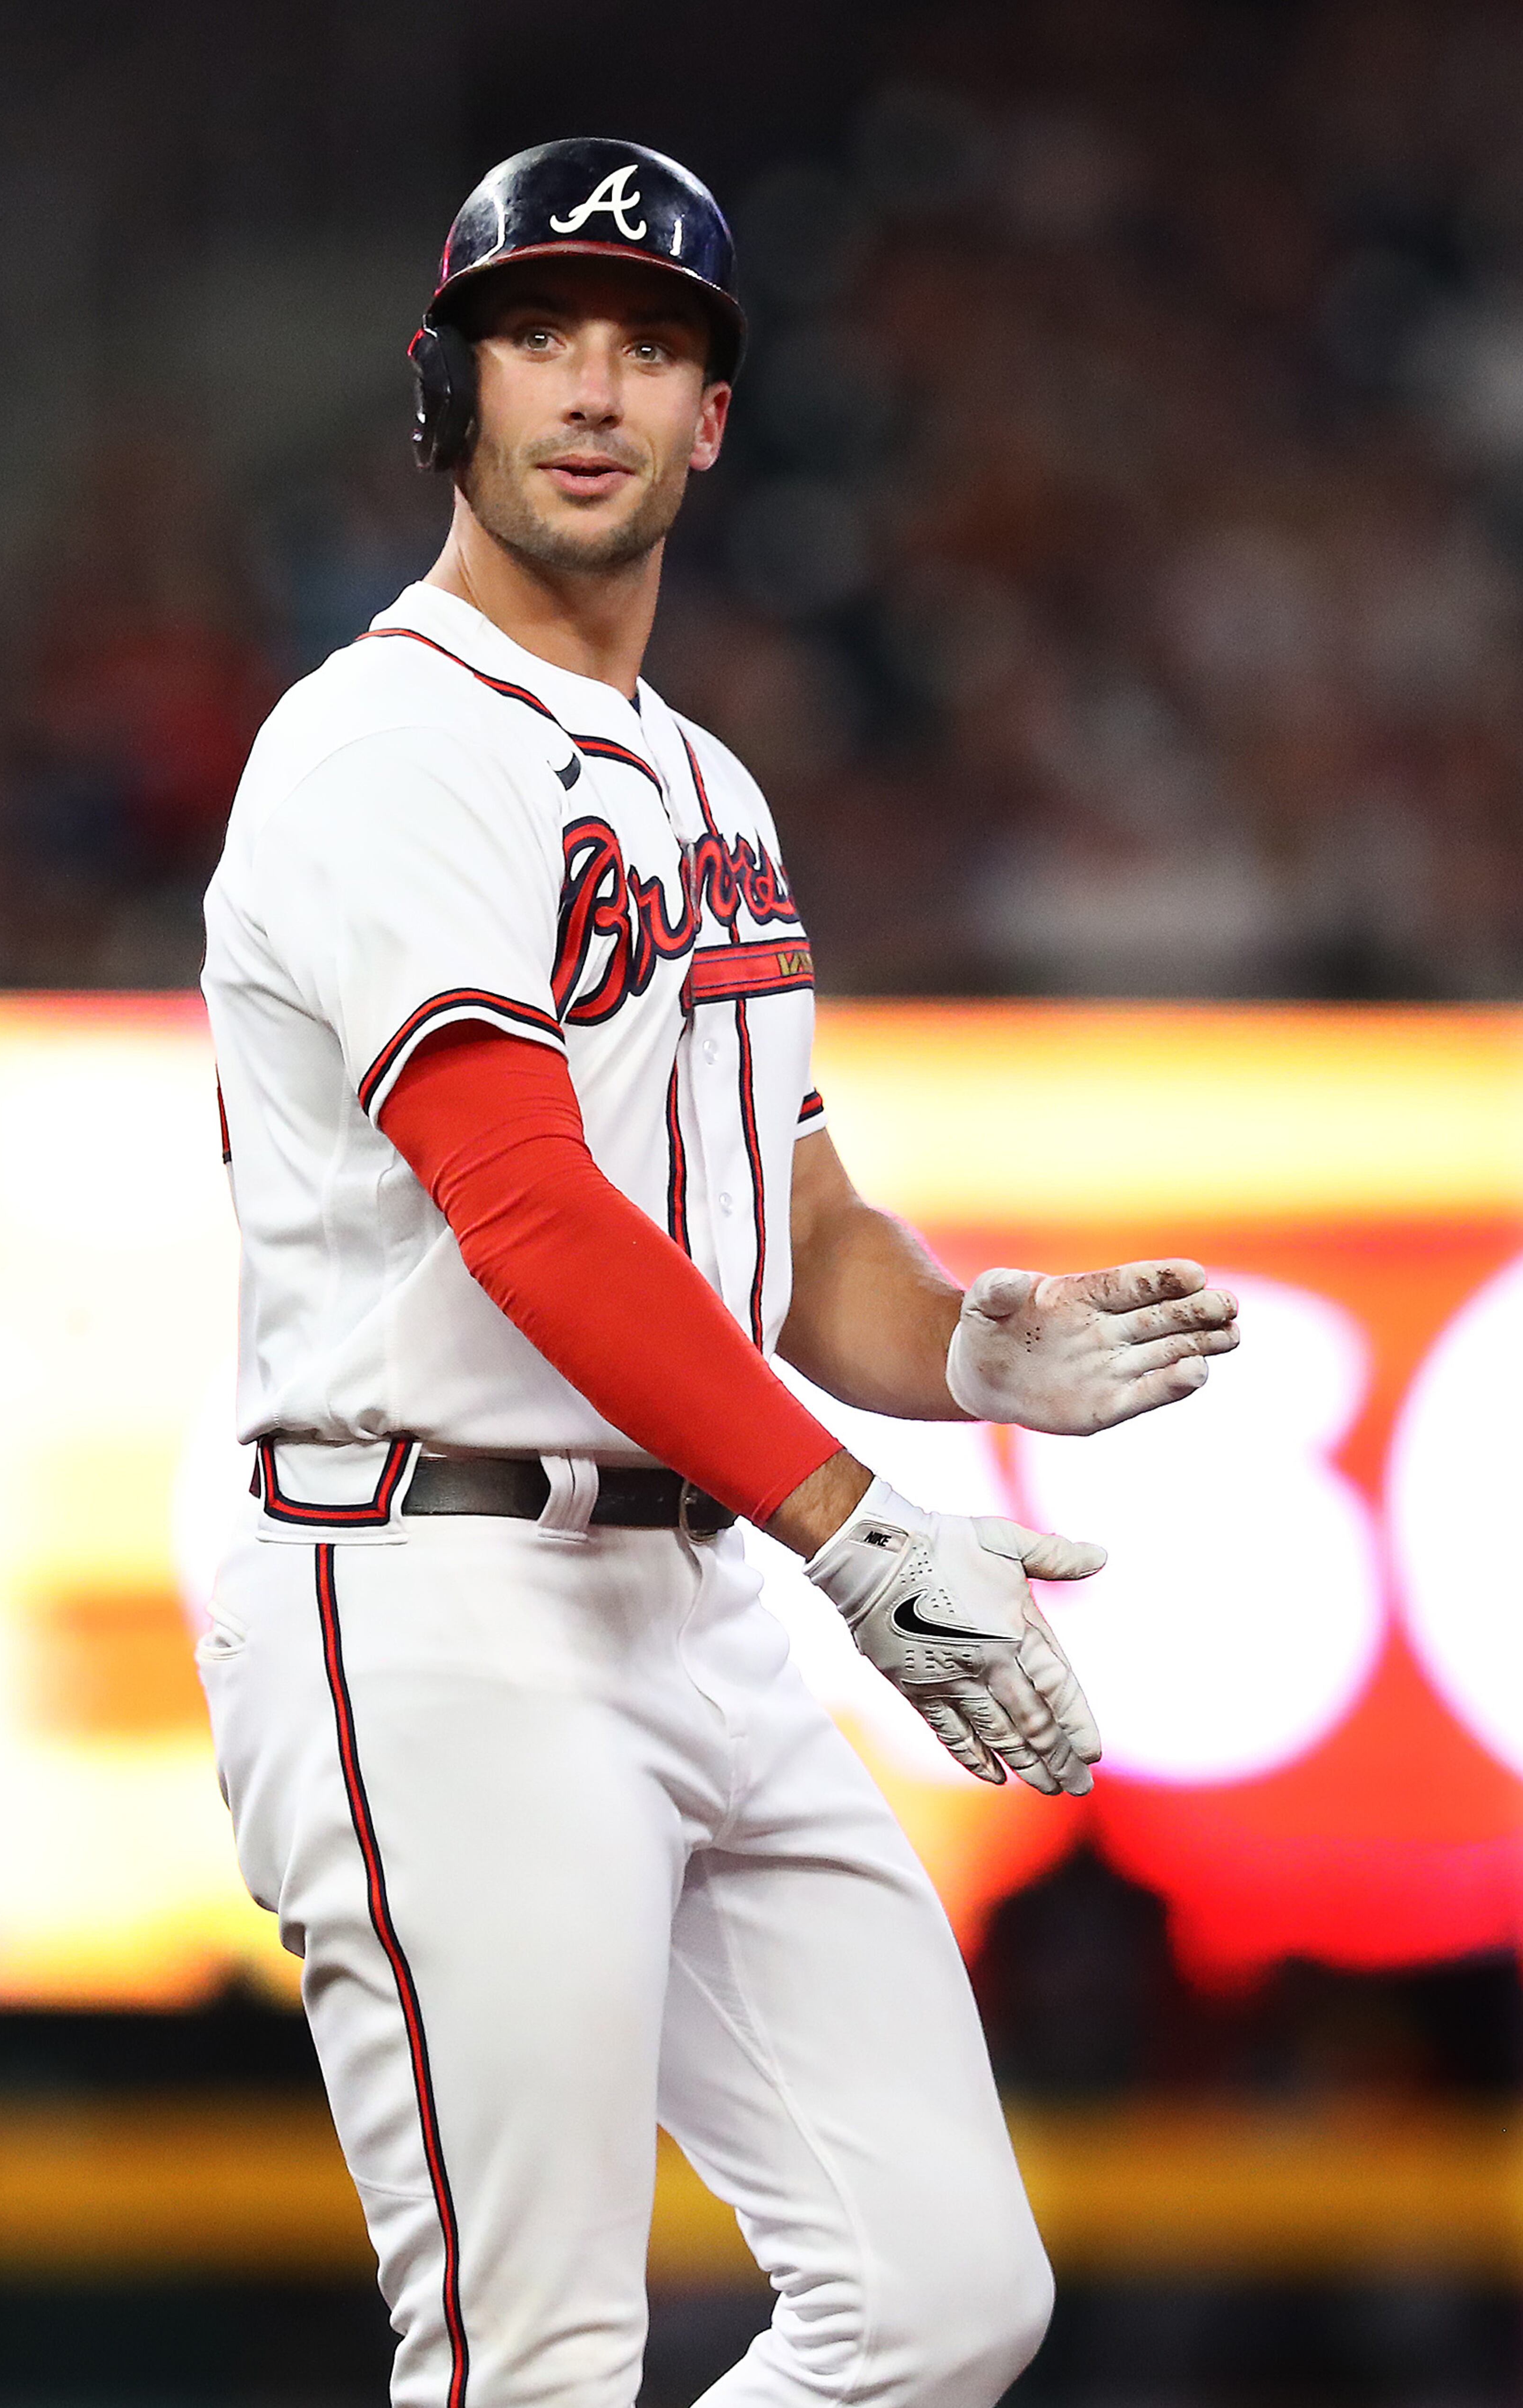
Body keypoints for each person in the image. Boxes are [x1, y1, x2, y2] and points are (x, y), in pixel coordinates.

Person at [199, 138, 1239, 2408]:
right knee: (531, 2360)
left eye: (650, 346)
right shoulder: (381, 745)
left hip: (697, 1593)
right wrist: (861, 1531)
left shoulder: (709, 784)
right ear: (444, 394)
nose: (592, 386)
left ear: (715, 423)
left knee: (946, 2295)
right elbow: (531, 1207)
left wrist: (966, 1345)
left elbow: (790, 1224)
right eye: (541, 336)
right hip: (429, 1586)